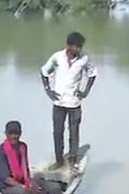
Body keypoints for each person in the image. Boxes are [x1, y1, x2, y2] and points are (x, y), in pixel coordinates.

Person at [40, 32, 97, 169]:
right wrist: (48, 90)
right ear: (69, 46)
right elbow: (44, 71)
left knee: (74, 132)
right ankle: (59, 160)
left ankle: (72, 159)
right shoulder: (57, 58)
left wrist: (85, 91)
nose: (78, 50)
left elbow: (92, 74)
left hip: (74, 102)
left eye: (80, 47)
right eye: (76, 47)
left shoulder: (84, 60)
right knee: (57, 132)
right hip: (59, 102)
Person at [0, 121, 62, 194]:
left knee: (55, 187)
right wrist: (25, 187)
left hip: (24, 180)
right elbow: (6, 178)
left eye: (16, 133)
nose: (13, 136)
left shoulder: (23, 147)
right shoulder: (0, 151)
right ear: (6, 134)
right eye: (10, 133)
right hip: (7, 186)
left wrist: (31, 184)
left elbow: (25, 168)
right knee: (26, 193)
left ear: (20, 133)